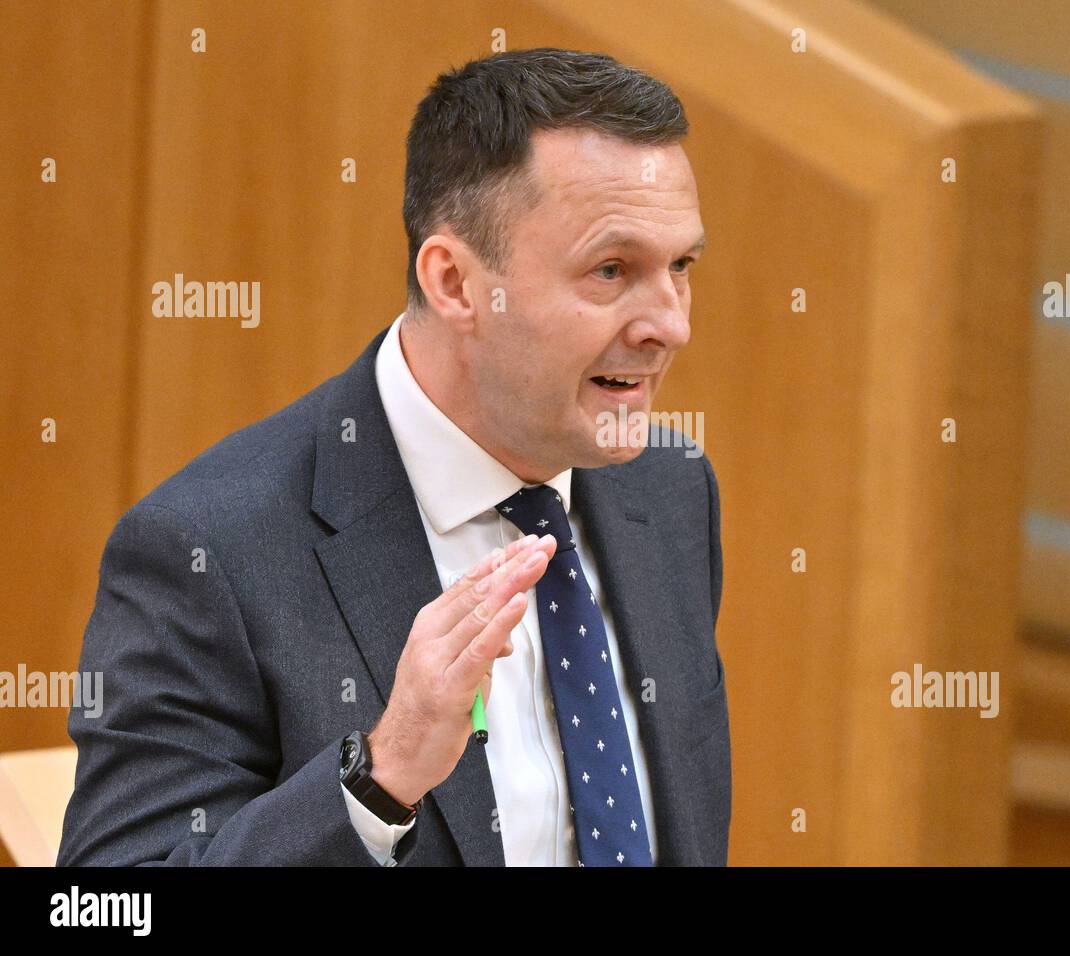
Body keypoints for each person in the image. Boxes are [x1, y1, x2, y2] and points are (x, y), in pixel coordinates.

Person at [56, 47, 729, 867]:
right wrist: (380, 780)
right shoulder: (208, 551)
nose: (670, 325)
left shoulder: (671, 491)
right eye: (612, 270)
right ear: (453, 283)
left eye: (681, 268)